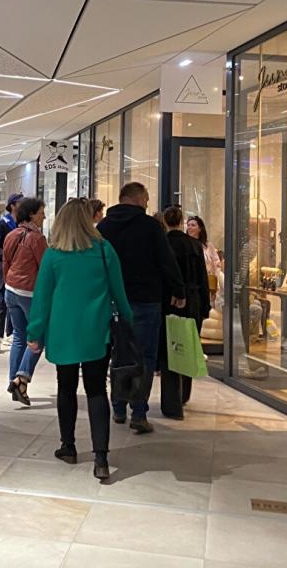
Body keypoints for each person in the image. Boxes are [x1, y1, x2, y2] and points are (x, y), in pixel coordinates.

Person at [27, 198, 132, 481]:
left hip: (63, 333)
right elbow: (119, 292)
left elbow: (42, 299)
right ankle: (101, 458)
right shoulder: (104, 250)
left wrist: (34, 333)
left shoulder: (54, 255)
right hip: (97, 331)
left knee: (66, 388)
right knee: (97, 391)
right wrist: (128, 321)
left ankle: (68, 446)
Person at [96, 182, 186, 433]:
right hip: (146, 298)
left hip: (112, 300)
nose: (147, 204)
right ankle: (138, 412)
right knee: (144, 356)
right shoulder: (150, 227)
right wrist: (178, 290)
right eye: (146, 199)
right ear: (137, 199)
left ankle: (118, 407)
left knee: (118, 353)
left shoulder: (104, 227)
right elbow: (166, 260)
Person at [159, 206, 211, 419]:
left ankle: (171, 399)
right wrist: (205, 306)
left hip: (167, 302)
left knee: (169, 350)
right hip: (193, 301)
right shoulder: (194, 246)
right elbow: (202, 278)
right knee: (188, 346)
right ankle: (184, 393)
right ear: (181, 221)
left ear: (165, 221)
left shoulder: (162, 244)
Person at [0, 197, 47, 406]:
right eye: (41, 213)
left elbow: (6, 262)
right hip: (29, 293)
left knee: (19, 336)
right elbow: (45, 269)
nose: (44, 216)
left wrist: (7, 283)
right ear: (31, 214)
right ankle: (21, 378)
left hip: (11, 289)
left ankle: (14, 381)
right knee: (38, 336)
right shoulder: (37, 239)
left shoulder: (12, 234)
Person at [0, 193, 22, 353]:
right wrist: (9, 255)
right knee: (2, 302)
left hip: (16, 268)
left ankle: (10, 334)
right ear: (12, 205)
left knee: (12, 302)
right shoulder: (2, 224)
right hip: (2, 269)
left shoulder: (20, 224)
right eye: (19, 202)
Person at [186, 215, 223, 307]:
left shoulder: (208, 246)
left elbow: (217, 265)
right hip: (190, 284)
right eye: (188, 225)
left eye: (193, 225)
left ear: (200, 229)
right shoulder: (185, 245)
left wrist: (215, 284)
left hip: (206, 282)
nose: (189, 227)